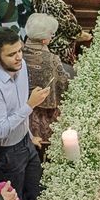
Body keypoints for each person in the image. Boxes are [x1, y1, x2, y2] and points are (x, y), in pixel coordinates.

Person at [0, 28, 50, 200]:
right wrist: (30, 105)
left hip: (25, 140)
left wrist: (29, 134)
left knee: (36, 191)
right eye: (11, 54)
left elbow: (18, 108)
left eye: (20, 51)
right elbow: (0, 130)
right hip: (7, 151)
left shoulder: (21, 65)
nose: (18, 57)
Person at [23, 13, 70, 143]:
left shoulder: (19, 52)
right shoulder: (51, 59)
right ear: (44, 39)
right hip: (43, 112)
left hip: (23, 109)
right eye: (51, 34)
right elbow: (62, 85)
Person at [32, 0, 92, 66]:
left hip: (46, 49)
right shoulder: (55, 6)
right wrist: (89, 36)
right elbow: (74, 32)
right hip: (59, 53)